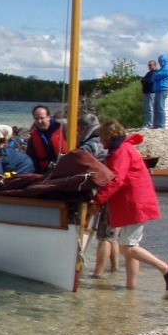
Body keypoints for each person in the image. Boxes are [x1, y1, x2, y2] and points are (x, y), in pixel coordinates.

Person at [95, 120, 168, 290]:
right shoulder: (123, 148)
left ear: (110, 136)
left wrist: (98, 199)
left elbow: (117, 179)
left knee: (127, 248)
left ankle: (165, 268)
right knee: (131, 246)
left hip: (134, 203)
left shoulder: (121, 151)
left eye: (102, 137)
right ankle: (131, 288)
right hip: (135, 202)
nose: (101, 142)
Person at [75, 113, 119, 277]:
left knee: (104, 235)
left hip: (102, 190)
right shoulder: (106, 144)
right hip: (112, 192)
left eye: (79, 130)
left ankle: (97, 275)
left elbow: (79, 162)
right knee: (112, 233)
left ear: (84, 129)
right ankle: (114, 269)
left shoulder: (91, 144)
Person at [25, 105, 67, 173]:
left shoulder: (63, 129)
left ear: (48, 117)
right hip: (45, 171)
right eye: (36, 119)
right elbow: (30, 158)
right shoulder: (33, 137)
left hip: (65, 168)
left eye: (42, 118)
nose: (39, 121)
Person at [151, 55, 168, 129]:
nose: (160, 62)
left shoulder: (166, 69)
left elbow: (155, 76)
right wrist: (155, 75)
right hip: (158, 89)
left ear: (164, 61)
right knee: (157, 108)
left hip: (162, 89)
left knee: (160, 108)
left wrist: (155, 75)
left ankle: (161, 124)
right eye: (159, 61)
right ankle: (157, 124)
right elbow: (154, 77)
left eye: (161, 61)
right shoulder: (162, 69)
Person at [140, 60, 157, 128]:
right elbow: (143, 80)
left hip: (151, 92)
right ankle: (147, 122)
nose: (149, 66)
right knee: (146, 108)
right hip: (146, 92)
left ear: (154, 65)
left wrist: (144, 80)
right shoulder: (148, 73)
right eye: (148, 65)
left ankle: (150, 124)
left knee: (150, 108)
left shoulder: (155, 73)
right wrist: (144, 80)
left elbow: (149, 81)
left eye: (150, 65)